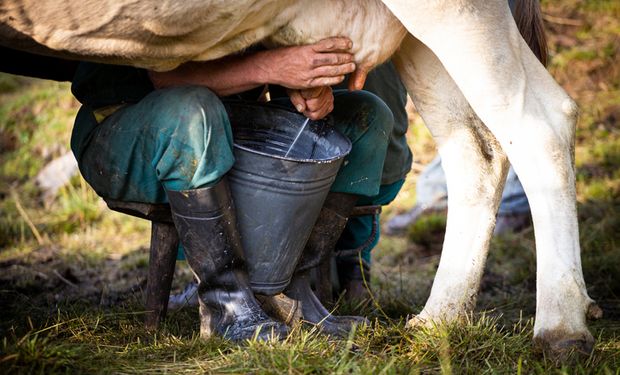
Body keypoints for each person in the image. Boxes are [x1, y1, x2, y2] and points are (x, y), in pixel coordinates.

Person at [70, 37, 396, 340]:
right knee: (194, 109)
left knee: (366, 115)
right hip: (133, 125)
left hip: (234, 118)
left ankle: (287, 292)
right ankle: (226, 308)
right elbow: (166, 77)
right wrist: (274, 66)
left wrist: (307, 85)